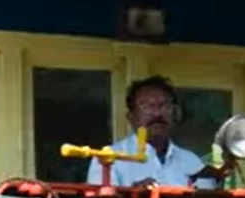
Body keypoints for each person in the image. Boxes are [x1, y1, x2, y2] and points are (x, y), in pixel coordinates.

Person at [86, 76, 228, 188]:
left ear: (174, 114)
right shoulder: (108, 159)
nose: (157, 112)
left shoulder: (191, 161)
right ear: (131, 117)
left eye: (164, 105)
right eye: (147, 105)